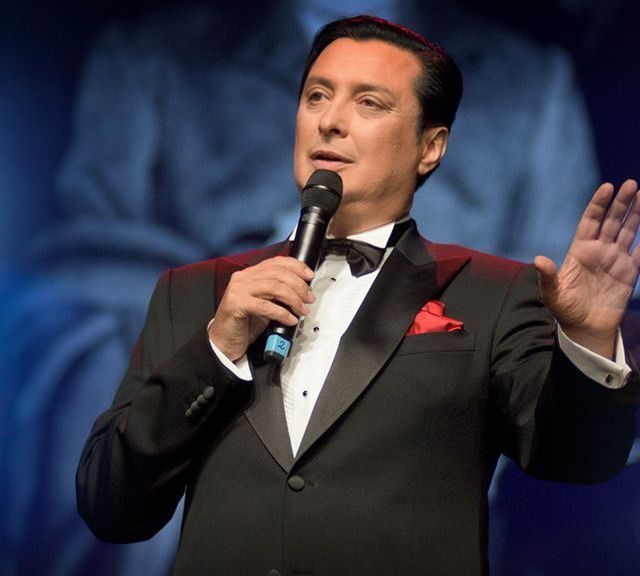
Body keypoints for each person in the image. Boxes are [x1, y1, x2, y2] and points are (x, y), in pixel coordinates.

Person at [76, 16, 637, 576]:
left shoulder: (492, 293)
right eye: (316, 96)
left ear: (430, 147)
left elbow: (578, 459)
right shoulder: (196, 292)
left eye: (369, 103)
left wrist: (588, 340)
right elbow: (111, 504)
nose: (330, 121)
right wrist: (218, 348)